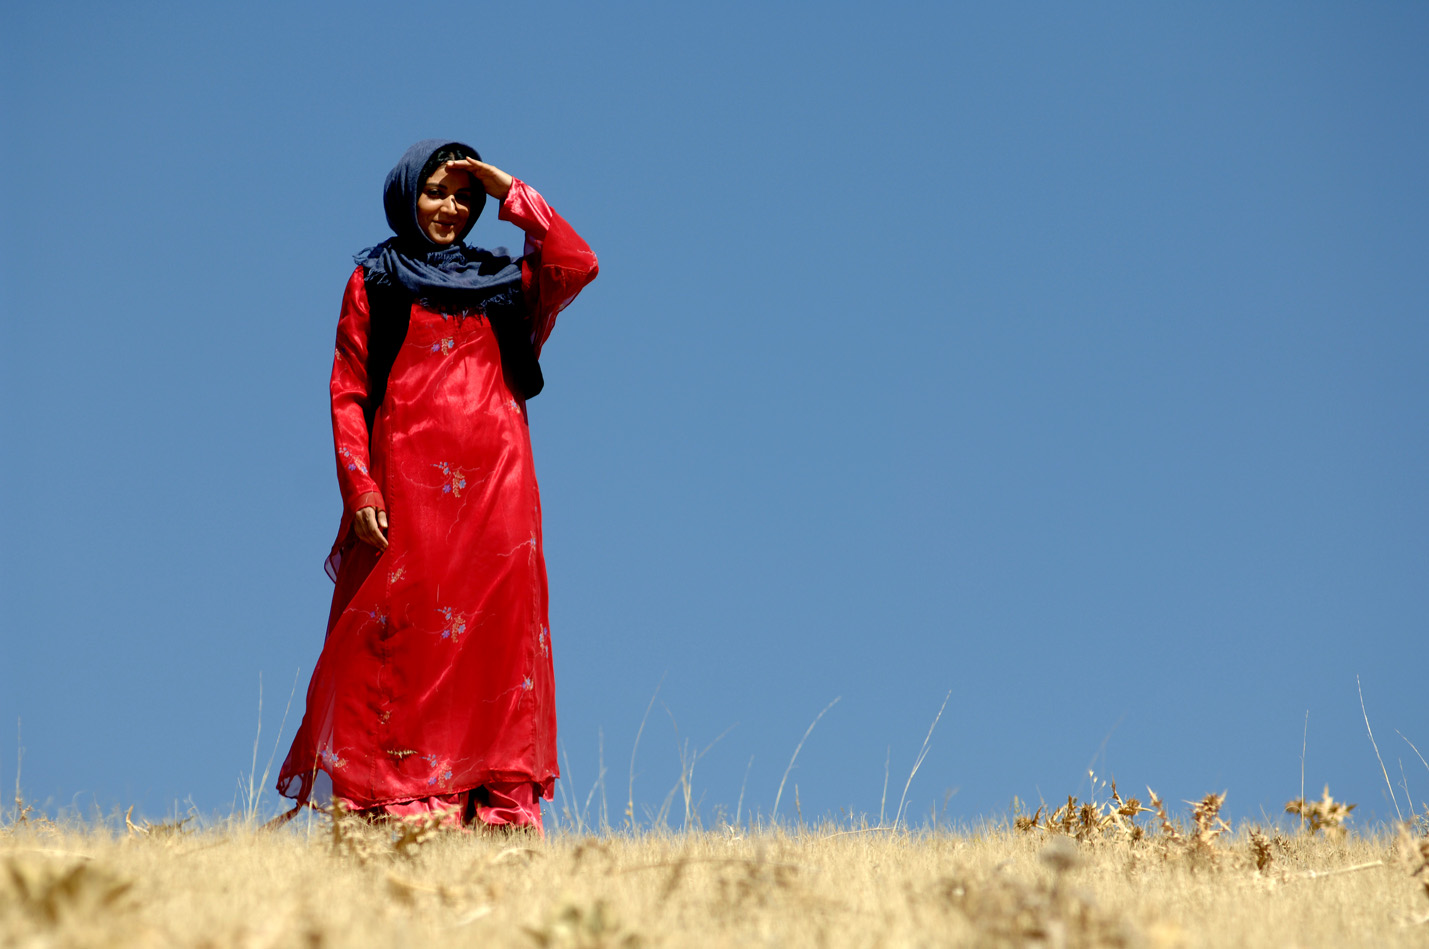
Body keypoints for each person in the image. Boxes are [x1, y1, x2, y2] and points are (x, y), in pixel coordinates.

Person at [275, 139, 598, 832]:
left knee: (495, 640)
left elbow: (577, 261)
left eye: (463, 197)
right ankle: (401, 803)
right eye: (435, 192)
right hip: (406, 487)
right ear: (404, 195)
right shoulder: (376, 280)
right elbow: (349, 388)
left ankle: (496, 807)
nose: (450, 208)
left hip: (499, 491)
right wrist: (359, 487)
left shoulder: (506, 281)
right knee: (398, 638)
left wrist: (505, 185)